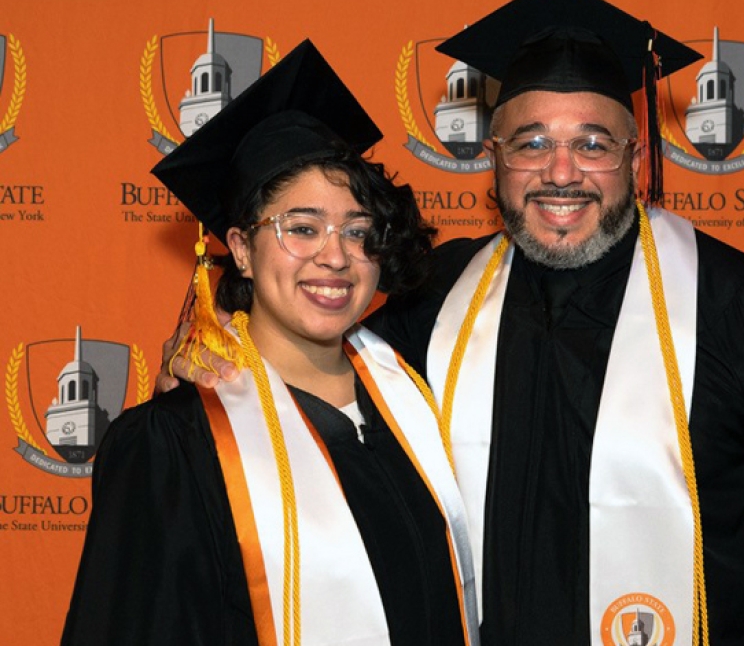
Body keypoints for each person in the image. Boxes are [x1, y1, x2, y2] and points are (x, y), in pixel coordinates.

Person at [159, 0, 744, 646]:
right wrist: (214, 358)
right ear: (494, 158)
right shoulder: (431, 298)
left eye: (592, 144)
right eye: (532, 142)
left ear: (637, 161)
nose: (561, 172)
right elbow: (311, 378)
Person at [62, 40, 478, 646]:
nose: (335, 256)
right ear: (240, 249)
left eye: (357, 231)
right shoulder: (175, 442)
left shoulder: (414, 396)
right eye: (302, 228)